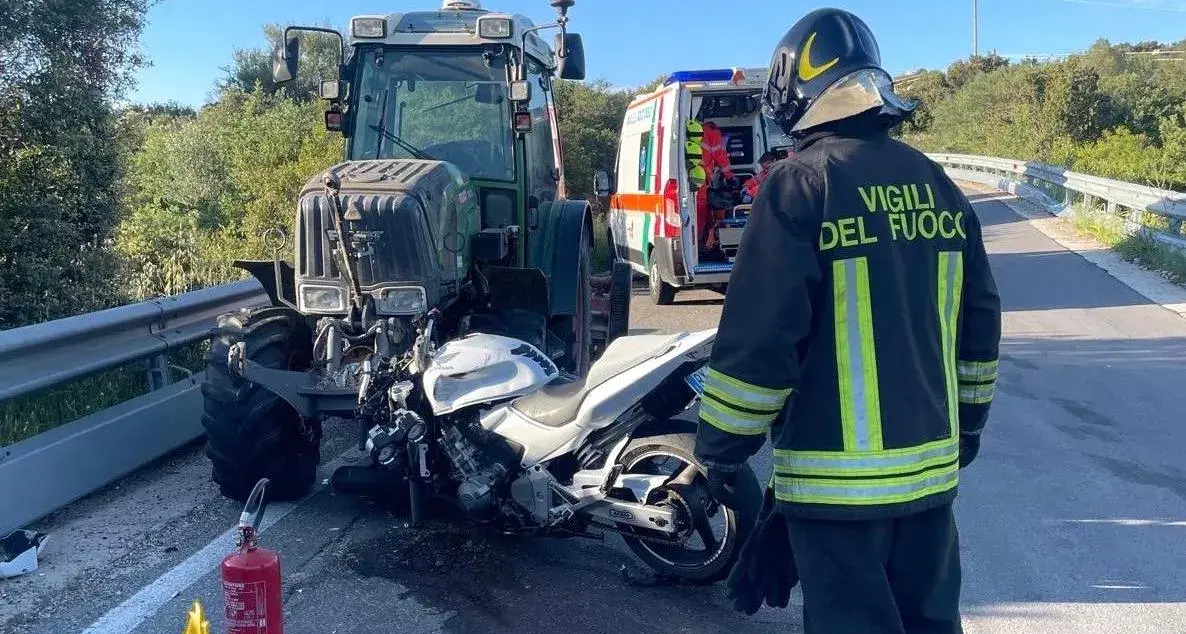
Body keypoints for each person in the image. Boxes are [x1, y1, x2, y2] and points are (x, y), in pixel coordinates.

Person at [694, 8, 1002, 634]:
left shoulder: (799, 186)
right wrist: (967, 428)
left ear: (797, 95)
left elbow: (760, 343)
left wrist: (720, 454)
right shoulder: (937, 184)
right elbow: (980, 324)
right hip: (929, 487)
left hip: (835, 497)